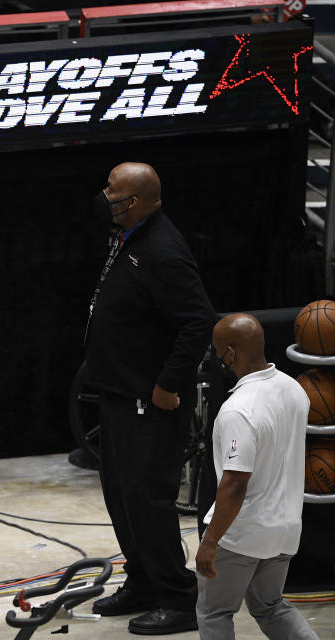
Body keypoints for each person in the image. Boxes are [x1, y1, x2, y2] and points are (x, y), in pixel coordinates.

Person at [84, 162, 215, 635]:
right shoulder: (129, 236)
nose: (105, 196)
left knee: (148, 500)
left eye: (112, 191)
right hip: (118, 393)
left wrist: (168, 384)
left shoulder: (163, 250)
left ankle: (179, 601)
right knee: (120, 495)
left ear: (134, 201)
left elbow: (198, 321)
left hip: (149, 400)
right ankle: (142, 582)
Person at [195, 314, 319, 640]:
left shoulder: (239, 409)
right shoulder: (294, 390)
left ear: (231, 353)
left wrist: (210, 542)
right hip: (287, 527)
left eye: (218, 350)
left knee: (215, 612)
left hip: (242, 533)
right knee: (271, 606)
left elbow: (235, 485)